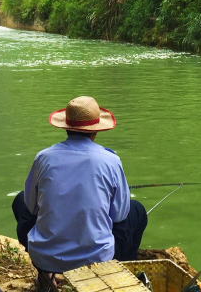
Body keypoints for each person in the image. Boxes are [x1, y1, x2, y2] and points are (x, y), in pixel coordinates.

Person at [12, 96, 147, 291]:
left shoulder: (43, 157)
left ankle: (46, 275)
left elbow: (31, 207)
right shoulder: (111, 160)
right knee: (137, 211)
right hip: (97, 261)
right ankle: (121, 273)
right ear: (96, 131)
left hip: (44, 259)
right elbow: (120, 215)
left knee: (20, 200)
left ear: (65, 127)